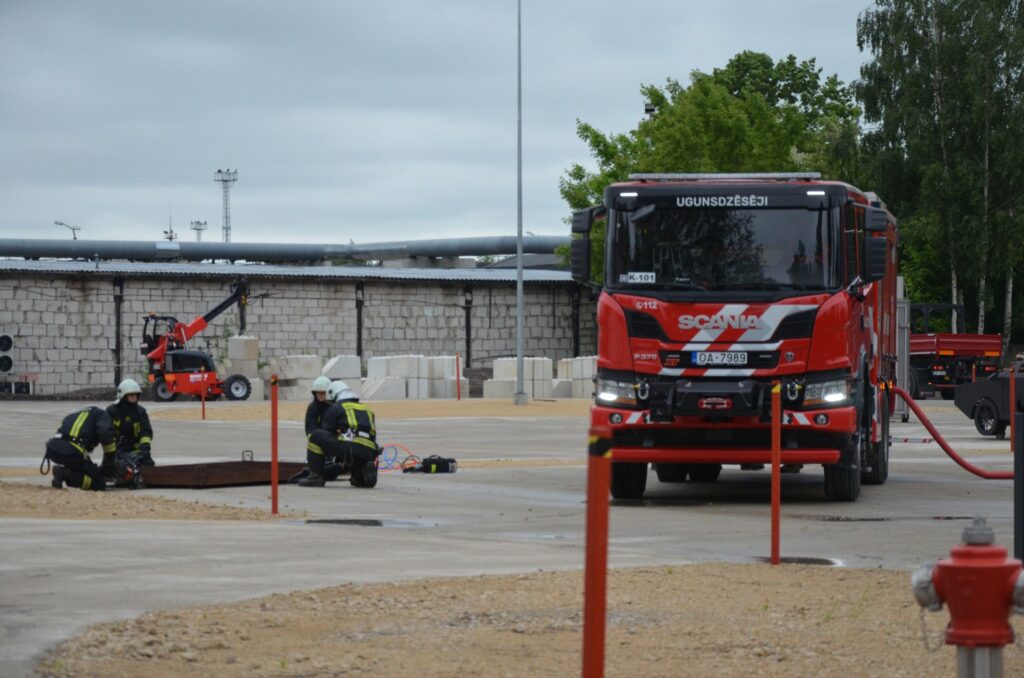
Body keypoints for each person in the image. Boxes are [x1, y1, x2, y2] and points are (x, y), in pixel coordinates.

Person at [300, 381, 380, 488]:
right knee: (357, 481)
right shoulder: (366, 408)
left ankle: (316, 477)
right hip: (369, 451)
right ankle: (365, 471)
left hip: (349, 448)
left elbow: (327, 431)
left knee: (316, 436)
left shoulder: (336, 407)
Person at [45, 406, 117, 491]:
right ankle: (64, 473)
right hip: (71, 452)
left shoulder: (82, 412)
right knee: (99, 483)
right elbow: (105, 433)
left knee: (80, 466)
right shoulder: (103, 416)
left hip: (52, 449)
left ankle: (63, 473)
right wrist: (111, 458)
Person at [104, 378, 154, 488]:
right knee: (115, 467)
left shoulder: (140, 412)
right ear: (123, 396)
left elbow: (146, 431)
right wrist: (115, 450)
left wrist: (145, 448)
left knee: (148, 464)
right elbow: (106, 434)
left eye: (136, 395)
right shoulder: (111, 411)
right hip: (115, 451)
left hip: (134, 451)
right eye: (131, 395)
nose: (134, 397)